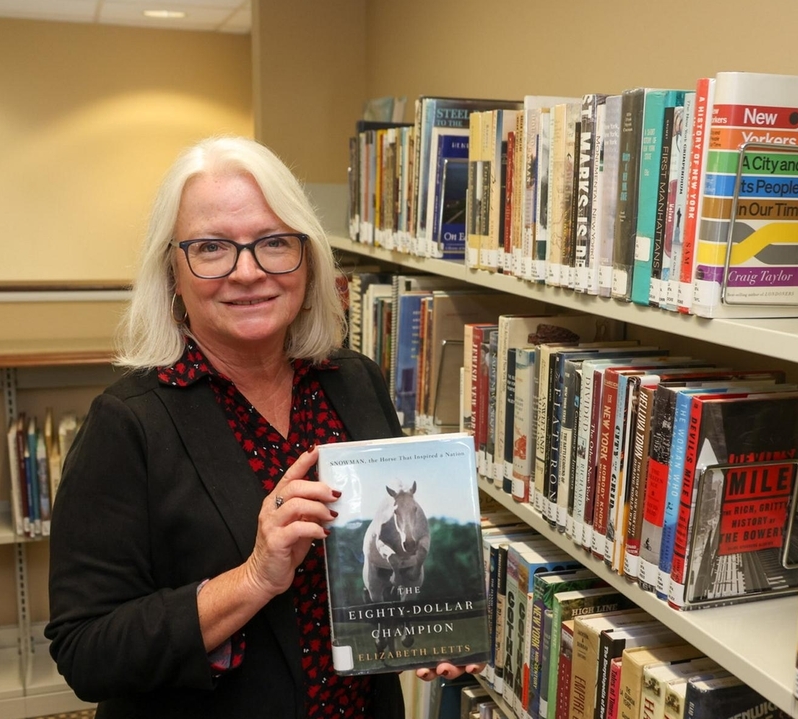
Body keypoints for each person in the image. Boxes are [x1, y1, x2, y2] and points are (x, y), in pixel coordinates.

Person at [46, 136, 479, 719]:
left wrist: (436, 626)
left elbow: (383, 565)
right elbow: (86, 652)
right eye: (211, 248)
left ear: (308, 258)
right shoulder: (128, 424)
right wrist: (253, 578)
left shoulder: (354, 382)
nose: (248, 272)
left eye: (274, 242)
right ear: (172, 271)